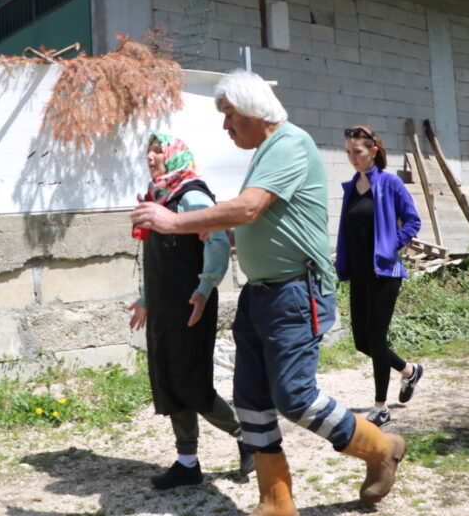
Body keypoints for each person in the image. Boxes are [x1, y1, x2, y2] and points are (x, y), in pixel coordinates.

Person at [131, 70, 405, 513]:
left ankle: (379, 448)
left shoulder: (291, 143)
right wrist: (229, 237)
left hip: (296, 293)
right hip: (260, 295)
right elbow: (263, 221)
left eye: (230, 115)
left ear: (256, 111)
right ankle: (275, 501)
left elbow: (251, 206)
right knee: (252, 402)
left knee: (294, 397)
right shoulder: (265, 152)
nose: (226, 126)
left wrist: (176, 222)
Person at [127, 132, 254, 489]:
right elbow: (158, 259)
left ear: (174, 156)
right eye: (148, 151)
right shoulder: (160, 197)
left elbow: (216, 241)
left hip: (190, 304)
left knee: (191, 382)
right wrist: (145, 299)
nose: (151, 157)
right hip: (166, 304)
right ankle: (187, 462)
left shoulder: (191, 196)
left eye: (158, 151)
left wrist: (204, 289)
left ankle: (246, 436)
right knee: (168, 377)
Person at [336, 125, 424, 427]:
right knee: (362, 342)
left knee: (376, 335)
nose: (352, 158)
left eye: (357, 152)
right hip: (359, 273)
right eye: (348, 152)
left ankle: (380, 407)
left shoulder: (390, 183)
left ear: (373, 151)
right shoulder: (350, 188)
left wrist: (391, 246)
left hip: (385, 272)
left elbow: (413, 221)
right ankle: (409, 371)